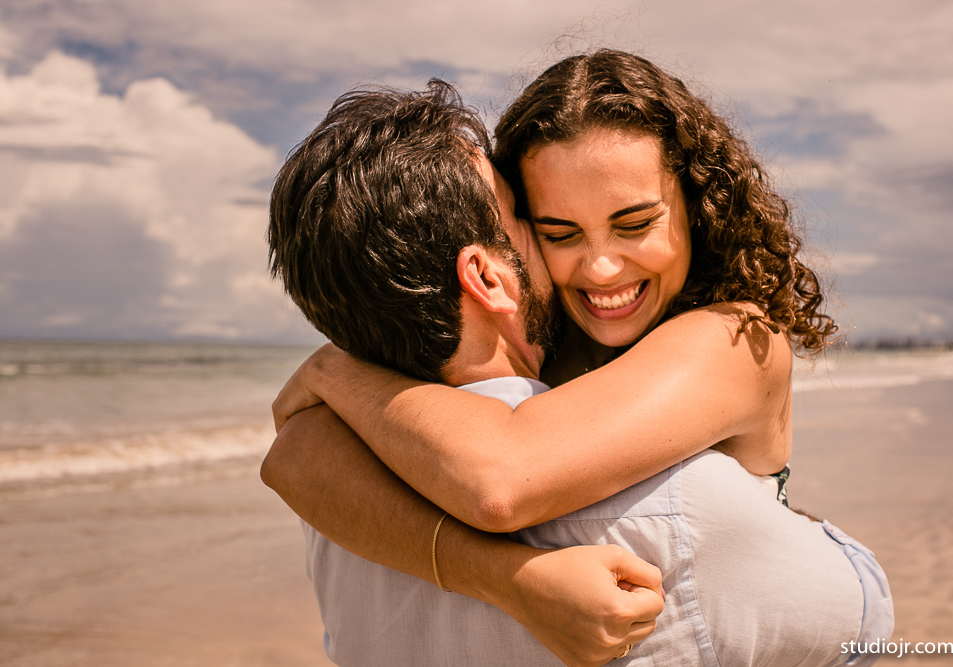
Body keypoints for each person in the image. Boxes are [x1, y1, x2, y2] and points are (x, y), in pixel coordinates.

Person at [265, 62, 892, 666]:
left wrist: (335, 372)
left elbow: (500, 476)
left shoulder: (732, 338)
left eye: (635, 223)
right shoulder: (547, 343)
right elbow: (293, 457)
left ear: (698, 206)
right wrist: (505, 581)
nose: (600, 270)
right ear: (498, 263)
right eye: (557, 232)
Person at [265, 81, 665, 667]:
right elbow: (845, 625)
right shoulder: (653, 490)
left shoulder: (332, 489)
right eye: (527, 217)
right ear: (486, 278)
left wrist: (333, 371)